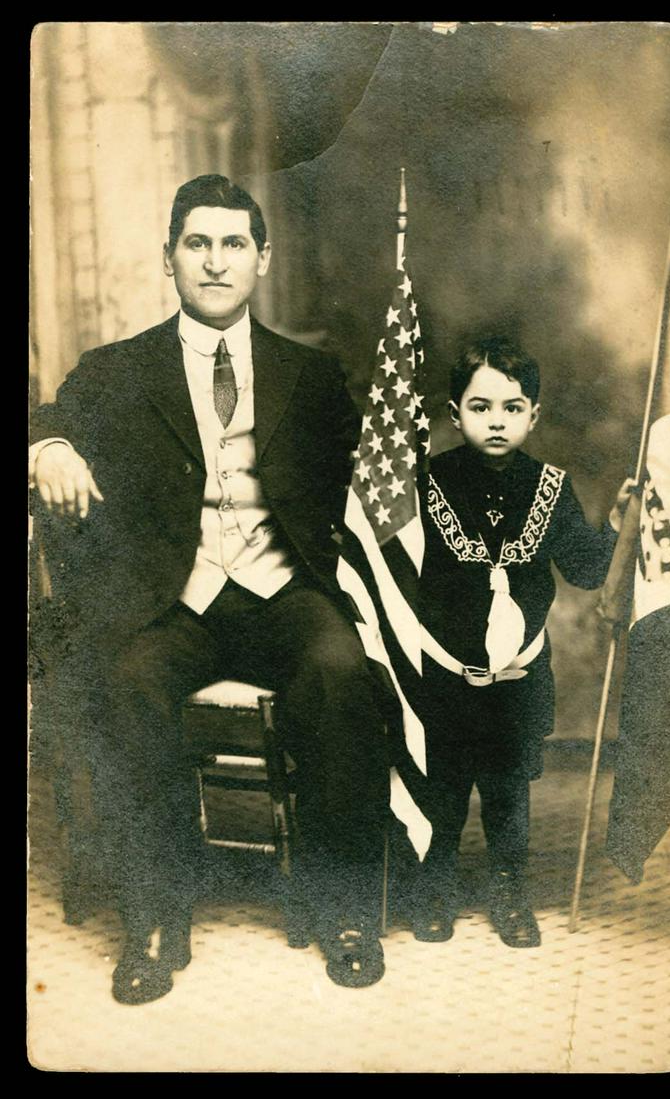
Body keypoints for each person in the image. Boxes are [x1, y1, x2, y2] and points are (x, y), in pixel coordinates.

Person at [29, 174, 389, 1001]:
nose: (215, 262)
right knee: (126, 682)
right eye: (197, 243)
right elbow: (42, 414)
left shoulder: (312, 373)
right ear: (169, 259)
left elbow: (374, 481)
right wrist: (48, 445)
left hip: (281, 589)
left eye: (233, 244)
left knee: (339, 672)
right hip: (172, 600)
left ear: (261, 259)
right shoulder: (117, 369)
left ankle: (341, 909)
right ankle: (156, 915)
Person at [412, 335, 634, 947]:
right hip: (443, 669)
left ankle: (509, 890)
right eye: (480, 407)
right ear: (453, 414)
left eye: (512, 407)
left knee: (508, 788)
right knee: (445, 786)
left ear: (533, 415)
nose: (497, 421)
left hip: (520, 671)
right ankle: (436, 886)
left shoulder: (551, 486)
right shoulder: (426, 484)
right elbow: (400, 575)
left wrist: (617, 523)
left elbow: (588, 570)